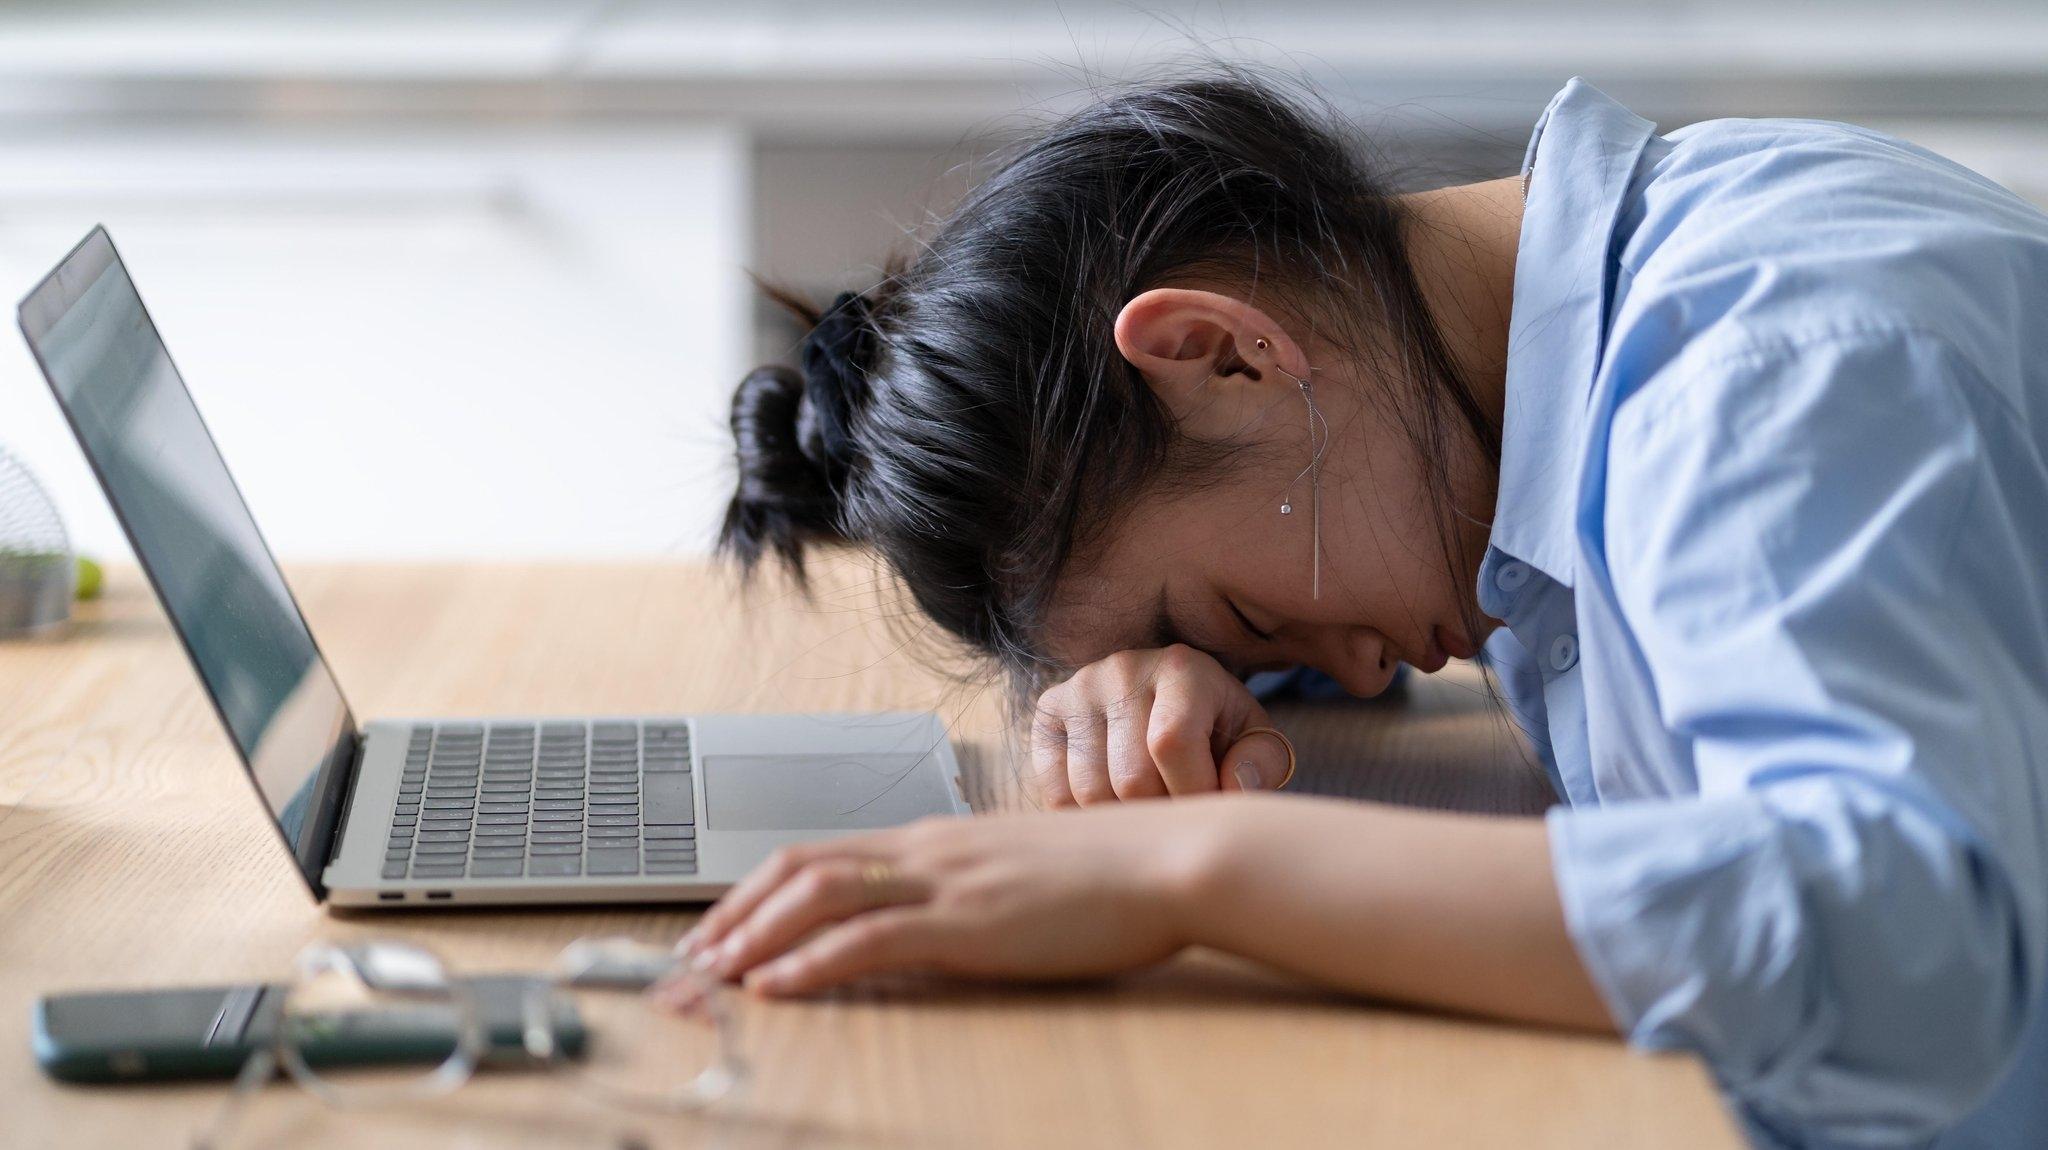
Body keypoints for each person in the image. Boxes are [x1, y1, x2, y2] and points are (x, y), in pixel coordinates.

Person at [687, 73, 2048, 1148]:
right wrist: (1164, 696)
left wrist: (1189, 868)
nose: (1329, 659)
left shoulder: (1761, 378)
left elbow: (1903, 954)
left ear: (1222, 352)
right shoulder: (1529, 376)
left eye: (1239, 618)